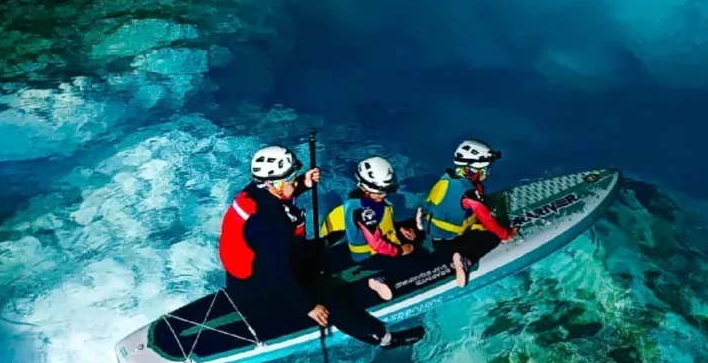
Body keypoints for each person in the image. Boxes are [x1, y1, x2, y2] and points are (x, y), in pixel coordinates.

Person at [219, 144, 423, 349]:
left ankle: (321, 247)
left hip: (250, 272)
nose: (294, 180)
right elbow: (279, 272)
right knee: (329, 296)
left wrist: (303, 184)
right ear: (276, 184)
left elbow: (279, 203)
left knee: (317, 251)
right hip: (259, 287)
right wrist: (309, 306)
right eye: (291, 177)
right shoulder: (271, 221)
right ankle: (383, 339)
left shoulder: (256, 191)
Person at [320, 155, 445, 301]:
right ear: (364, 187)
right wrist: (401, 250)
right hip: (370, 256)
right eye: (379, 192)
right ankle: (379, 280)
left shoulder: (362, 201)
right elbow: (377, 244)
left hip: (384, 240)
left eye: (385, 191)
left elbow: (378, 224)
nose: (383, 195)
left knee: (415, 235)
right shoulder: (364, 211)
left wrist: (398, 229)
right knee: (417, 260)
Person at [419, 139, 513, 287]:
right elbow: (487, 219)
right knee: (493, 235)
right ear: (478, 168)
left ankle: (458, 255)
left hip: (432, 237)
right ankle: (466, 260)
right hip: (449, 243)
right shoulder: (468, 193)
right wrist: (506, 234)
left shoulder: (447, 178)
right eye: (487, 167)